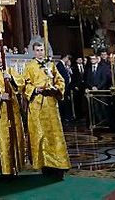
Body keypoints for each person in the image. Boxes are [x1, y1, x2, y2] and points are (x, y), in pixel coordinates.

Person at [21, 40, 70, 178]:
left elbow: (60, 81)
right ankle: (44, 164)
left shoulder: (51, 65)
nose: (40, 53)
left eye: (42, 50)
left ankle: (58, 165)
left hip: (50, 104)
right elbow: (25, 85)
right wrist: (35, 89)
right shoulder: (29, 66)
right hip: (37, 105)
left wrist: (56, 88)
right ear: (33, 51)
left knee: (54, 135)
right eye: (37, 50)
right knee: (40, 135)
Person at [0, 52, 25, 175]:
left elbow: (20, 85)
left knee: (15, 136)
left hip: (12, 109)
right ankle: (4, 169)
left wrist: (12, 79)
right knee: (2, 139)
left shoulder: (10, 70)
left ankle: (15, 167)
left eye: (1, 57)